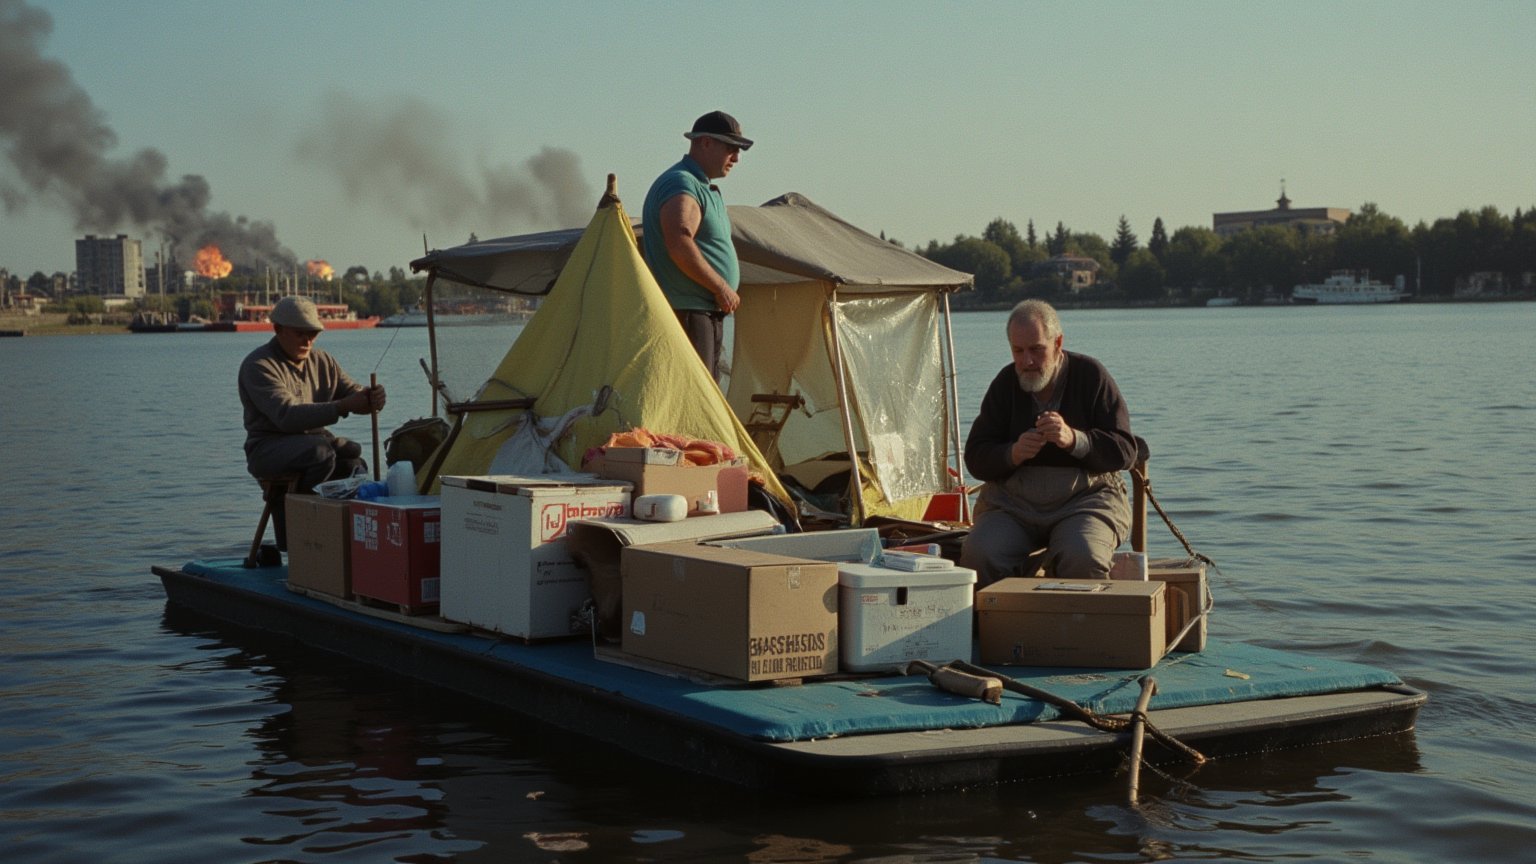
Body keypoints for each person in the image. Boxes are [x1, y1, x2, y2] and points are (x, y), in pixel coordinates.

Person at [959, 299, 1138, 586]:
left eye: (1036, 349)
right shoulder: (1005, 383)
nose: (1027, 361)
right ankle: (995, 627)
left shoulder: (1091, 376)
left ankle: (1079, 628)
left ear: (1058, 343)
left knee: (1083, 555)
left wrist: (1075, 440)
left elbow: (1126, 450)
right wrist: (1012, 454)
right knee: (980, 554)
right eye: (1018, 351)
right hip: (1013, 505)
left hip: (1085, 501)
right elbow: (976, 456)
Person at [238, 295, 385, 548]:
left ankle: (341, 532)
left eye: (313, 334)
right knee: (320, 453)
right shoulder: (258, 365)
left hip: (313, 442)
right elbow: (287, 416)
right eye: (300, 334)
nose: (308, 341)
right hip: (268, 447)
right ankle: (300, 526)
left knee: (352, 456)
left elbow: (352, 393)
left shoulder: (323, 361)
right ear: (278, 330)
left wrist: (371, 398)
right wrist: (342, 406)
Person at [641, 110, 753, 382]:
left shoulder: (701, 186)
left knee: (704, 396)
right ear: (705, 142)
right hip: (688, 313)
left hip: (702, 312)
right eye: (730, 148)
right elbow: (679, 241)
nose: (736, 158)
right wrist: (721, 287)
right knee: (695, 398)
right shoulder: (682, 182)